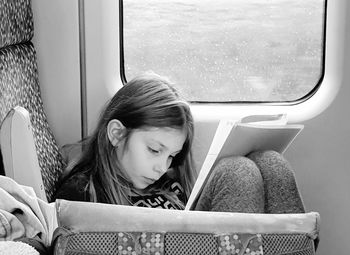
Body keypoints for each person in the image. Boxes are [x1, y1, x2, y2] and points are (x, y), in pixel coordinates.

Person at [54, 72, 305, 214]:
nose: (162, 167)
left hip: (191, 250)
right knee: (238, 171)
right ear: (117, 134)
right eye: (154, 150)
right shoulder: (82, 193)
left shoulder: (167, 183)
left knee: (270, 162)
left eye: (171, 156)